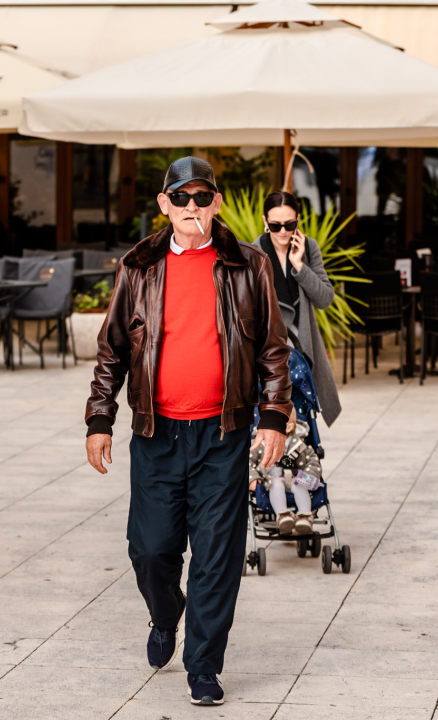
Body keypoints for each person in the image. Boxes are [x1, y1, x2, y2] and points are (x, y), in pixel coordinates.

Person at [84, 156, 292, 706]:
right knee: (150, 551)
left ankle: (203, 664)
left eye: (203, 198)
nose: (193, 208)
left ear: (216, 203)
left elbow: (273, 348)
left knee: (217, 554)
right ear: (165, 205)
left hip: (222, 434)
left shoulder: (249, 265)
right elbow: (112, 351)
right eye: (182, 198)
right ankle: (164, 614)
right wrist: (99, 418)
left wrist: (274, 417)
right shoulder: (139, 266)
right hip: (156, 434)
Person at [256, 191, 341, 428]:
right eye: (275, 225)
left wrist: (299, 266)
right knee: (273, 424)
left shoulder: (309, 247)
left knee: (301, 424)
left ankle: (302, 463)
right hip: (269, 353)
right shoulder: (255, 252)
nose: (283, 231)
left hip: (302, 350)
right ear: (265, 222)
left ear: (298, 221)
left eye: (289, 224)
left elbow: (325, 299)